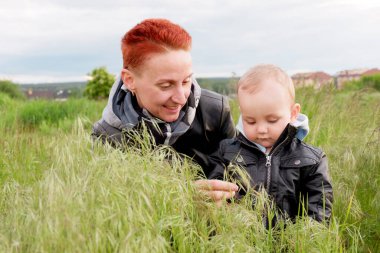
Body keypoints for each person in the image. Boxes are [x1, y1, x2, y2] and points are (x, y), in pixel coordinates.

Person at [92, 18, 238, 204]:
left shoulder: (215, 111)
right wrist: (179, 196)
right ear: (130, 80)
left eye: (186, 81)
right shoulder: (106, 137)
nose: (181, 97)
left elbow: (243, 178)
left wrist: (225, 198)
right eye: (166, 85)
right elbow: (110, 205)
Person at [208, 64, 333, 222]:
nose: (261, 129)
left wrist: (300, 242)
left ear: (293, 113)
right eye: (250, 121)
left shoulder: (312, 160)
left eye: (272, 120)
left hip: (290, 243)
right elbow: (213, 196)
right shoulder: (227, 152)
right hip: (240, 241)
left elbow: (319, 211)